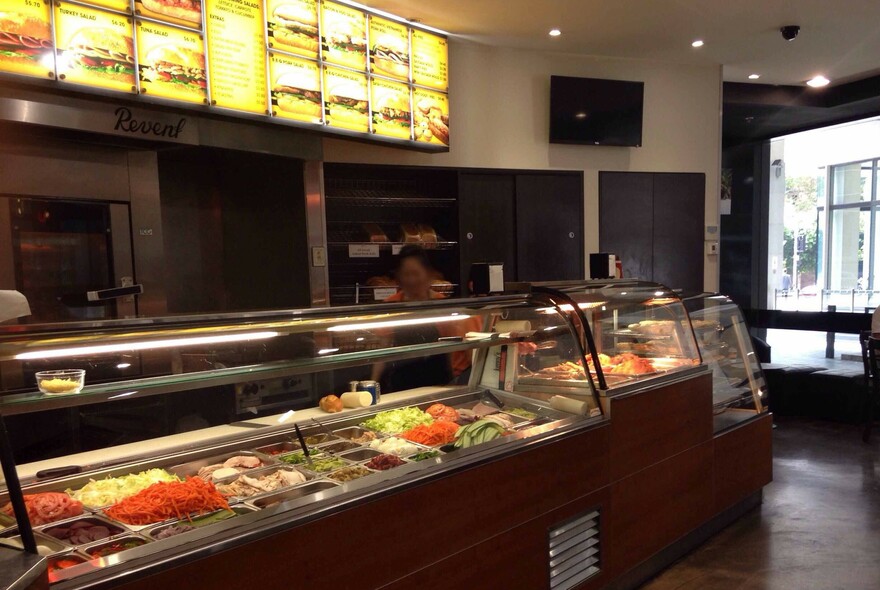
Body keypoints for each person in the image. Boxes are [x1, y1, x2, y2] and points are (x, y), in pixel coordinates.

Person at [371, 245, 480, 391]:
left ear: (428, 275)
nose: (411, 280)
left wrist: (461, 385)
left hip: (438, 383)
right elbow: (382, 351)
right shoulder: (391, 305)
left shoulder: (443, 307)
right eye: (406, 274)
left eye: (415, 274)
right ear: (398, 277)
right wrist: (372, 383)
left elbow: (457, 351)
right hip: (401, 384)